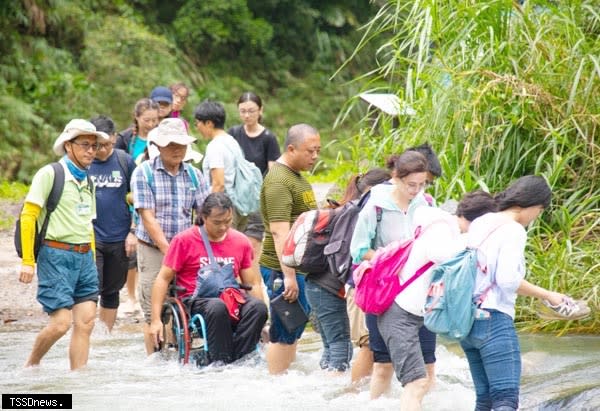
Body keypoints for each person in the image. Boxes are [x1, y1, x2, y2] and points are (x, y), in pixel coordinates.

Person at [461, 175, 587, 411]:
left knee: (485, 400)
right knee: (505, 400)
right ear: (531, 204)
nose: (537, 215)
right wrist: (548, 295)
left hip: (467, 320)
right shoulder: (514, 230)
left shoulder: (482, 221)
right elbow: (507, 280)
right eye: (540, 209)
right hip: (494, 319)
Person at [377, 190, 497, 411]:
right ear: (480, 221)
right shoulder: (442, 229)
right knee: (416, 383)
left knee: (422, 381)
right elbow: (444, 256)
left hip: (414, 313)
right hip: (399, 313)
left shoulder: (445, 228)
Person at [18, 119, 110, 369]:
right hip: (55, 255)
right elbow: (28, 216)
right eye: (85, 145)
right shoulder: (50, 174)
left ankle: (77, 383)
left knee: (86, 322)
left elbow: (87, 223)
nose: (91, 150)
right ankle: (31, 365)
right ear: (68, 146)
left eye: (94, 146)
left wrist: (91, 258)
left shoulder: (88, 181)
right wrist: (27, 261)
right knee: (60, 324)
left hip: (84, 258)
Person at [149, 192, 268, 364]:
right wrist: (155, 320)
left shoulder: (240, 241)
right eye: (217, 223)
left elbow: (253, 283)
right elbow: (163, 279)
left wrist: (262, 324)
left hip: (231, 299)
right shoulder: (184, 240)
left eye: (227, 222)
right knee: (217, 306)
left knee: (258, 308)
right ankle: (220, 361)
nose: (223, 228)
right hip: (197, 301)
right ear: (203, 217)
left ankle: (240, 359)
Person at [350, 150, 430, 398]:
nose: (415, 190)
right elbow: (358, 250)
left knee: (428, 364)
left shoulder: (425, 204)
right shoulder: (376, 206)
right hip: (384, 292)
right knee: (383, 364)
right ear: (396, 177)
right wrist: (393, 259)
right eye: (410, 185)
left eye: (421, 184)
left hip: (418, 292)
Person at [131, 117, 210, 354]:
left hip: (186, 249)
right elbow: (147, 217)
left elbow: (205, 214)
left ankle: (178, 351)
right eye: (170, 144)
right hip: (154, 249)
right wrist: (169, 251)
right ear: (158, 145)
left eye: (181, 144)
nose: (176, 149)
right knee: (152, 311)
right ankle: (154, 361)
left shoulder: (194, 175)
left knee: (186, 305)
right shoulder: (144, 173)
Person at [260, 123, 321, 374]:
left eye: (318, 150)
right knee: (284, 330)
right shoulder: (278, 181)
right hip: (281, 269)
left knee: (294, 328)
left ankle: (285, 382)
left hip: (299, 268)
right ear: (291, 148)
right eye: (310, 151)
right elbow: (279, 231)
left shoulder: (295, 177)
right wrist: (289, 276)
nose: (315, 156)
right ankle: (276, 386)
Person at [88, 116, 137, 331]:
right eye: (98, 145)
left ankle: (104, 336)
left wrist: (133, 231)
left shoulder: (124, 161)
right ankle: (84, 334)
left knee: (112, 290)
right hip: (91, 237)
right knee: (90, 289)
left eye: (108, 144)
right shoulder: (83, 163)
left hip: (120, 237)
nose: (103, 150)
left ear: (115, 138)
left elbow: (139, 198)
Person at [227, 92, 281, 274]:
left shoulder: (268, 138)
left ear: (260, 111)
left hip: (257, 200)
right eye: (243, 111)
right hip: (235, 199)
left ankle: (251, 286)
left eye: (251, 111)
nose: (247, 115)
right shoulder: (233, 134)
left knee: (251, 249)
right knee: (231, 244)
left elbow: (273, 170)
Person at [194, 100, 247, 224]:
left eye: (198, 123)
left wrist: (206, 212)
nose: (197, 128)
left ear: (209, 123)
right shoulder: (232, 141)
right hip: (239, 205)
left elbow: (218, 183)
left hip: (223, 208)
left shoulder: (215, 146)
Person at [115, 98, 160, 164]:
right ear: (136, 116)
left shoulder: (162, 138)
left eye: (154, 120)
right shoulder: (124, 138)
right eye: (146, 120)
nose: (150, 124)